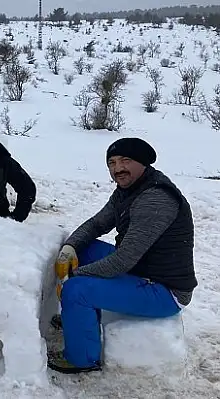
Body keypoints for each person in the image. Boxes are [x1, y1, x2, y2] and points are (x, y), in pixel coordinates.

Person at [48, 137, 197, 374]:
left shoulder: (155, 198)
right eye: (112, 162)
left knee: (76, 290)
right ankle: (79, 320)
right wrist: (71, 247)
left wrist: (74, 276)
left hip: (164, 290)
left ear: (143, 163)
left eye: (126, 161)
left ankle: (82, 359)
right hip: (142, 270)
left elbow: (123, 260)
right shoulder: (128, 190)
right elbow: (97, 224)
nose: (118, 169)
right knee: (84, 250)